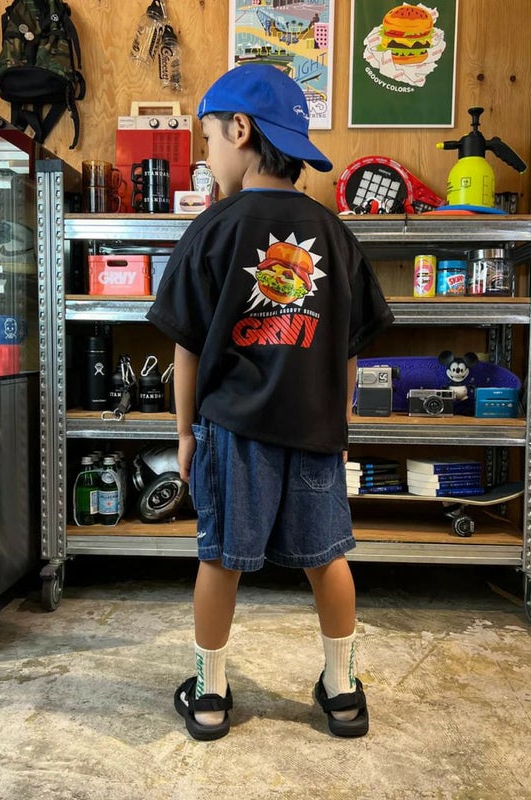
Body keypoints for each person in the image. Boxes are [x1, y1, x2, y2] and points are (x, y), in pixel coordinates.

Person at [146, 63, 394, 741]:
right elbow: (350, 350)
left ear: (240, 130)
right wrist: (339, 420)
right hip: (315, 429)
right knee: (327, 558)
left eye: (207, 140)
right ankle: (342, 694)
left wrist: (186, 434)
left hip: (233, 431)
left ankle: (209, 697)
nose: (207, 156)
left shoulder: (212, 229)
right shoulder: (335, 234)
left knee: (221, 559)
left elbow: (187, 350)